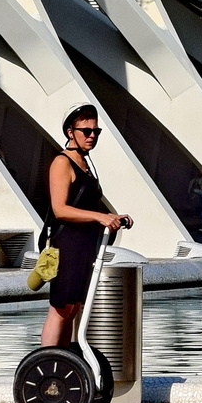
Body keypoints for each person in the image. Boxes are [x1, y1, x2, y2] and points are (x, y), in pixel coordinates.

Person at [42, 104, 131, 346]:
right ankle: (47, 363)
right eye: (86, 131)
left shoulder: (85, 163)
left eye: (96, 132)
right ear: (71, 132)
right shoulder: (62, 163)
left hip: (85, 243)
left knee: (73, 307)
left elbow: (87, 204)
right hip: (67, 243)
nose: (92, 136)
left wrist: (113, 216)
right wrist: (100, 217)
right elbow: (60, 209)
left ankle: (64, 359)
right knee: (60, 307)